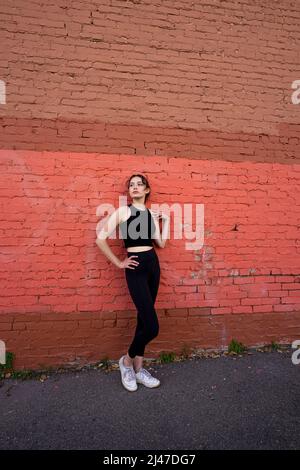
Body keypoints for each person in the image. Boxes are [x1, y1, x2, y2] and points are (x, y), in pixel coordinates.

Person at [96, 174, 170, 392]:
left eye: (140, 184)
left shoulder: (149, 214)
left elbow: (161, 243)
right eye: (132, 185)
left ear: (147, 190)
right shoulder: (123, 211)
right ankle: (126, 362)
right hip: (135, 267)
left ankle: (138, 369)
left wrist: (164, 221)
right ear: (129, 191)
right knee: (152, 327)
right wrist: (119, 262)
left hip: (153, 266)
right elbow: (100, 239)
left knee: (143, 321)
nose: (135, 187)